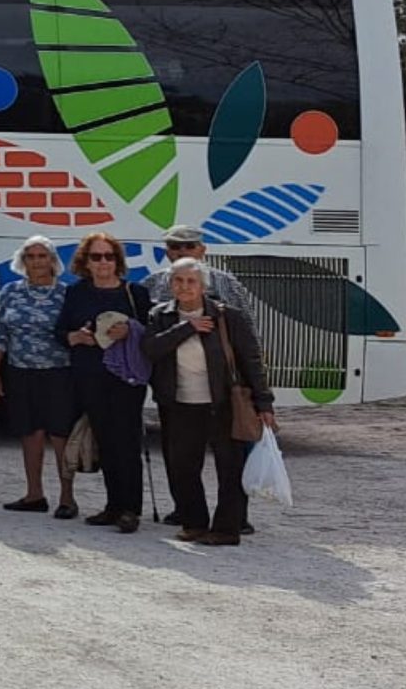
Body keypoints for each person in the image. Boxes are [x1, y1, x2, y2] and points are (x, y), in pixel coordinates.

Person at [142, 258, 275, 546]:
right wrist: (187, 328)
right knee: (183, 468)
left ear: (203, 286)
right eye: (178, 281)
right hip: (180, 404)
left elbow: (251, 360)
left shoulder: (229, 317)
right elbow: (150, 349)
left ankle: (227, 529)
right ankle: (194, 524)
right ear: (170, 285)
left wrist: (264, 403)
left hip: (224, 404)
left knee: (230, 468)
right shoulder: (159, 315)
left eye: (191, 281)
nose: (185, 287)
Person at [57, 231, 148, 535]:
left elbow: (151, 335)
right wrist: (75, 337)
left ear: (118, 260)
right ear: (86, 261)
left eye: (109, 256)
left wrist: (130, 330)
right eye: (96, 256)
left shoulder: (135, 293)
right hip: (90, 374)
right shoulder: (76, 293)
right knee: (105, 441)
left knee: (127, 441)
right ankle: (113, 505)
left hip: (126, 377)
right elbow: (61, 332)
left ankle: (131, 509)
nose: (103, 262)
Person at [0, 236, 77, 515]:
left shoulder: (66, 294)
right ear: (22, 261)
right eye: (30, 256)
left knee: (61, 435)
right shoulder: (11, 292)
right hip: (19, 372)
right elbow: (0, 334)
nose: (37, 262)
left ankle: (67, 497)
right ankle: (34, 494)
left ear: (53, 261)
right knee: (29, 433)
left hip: (59, 373)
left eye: (42, 256)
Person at [161, 225, 250, 308]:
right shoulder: (152, 282)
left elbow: (246, 321)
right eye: (175, 247)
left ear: (202, 250)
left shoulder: (226, 282)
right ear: (167, 252)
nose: (183, 252)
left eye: (190, 246)